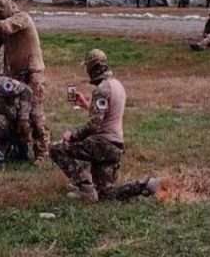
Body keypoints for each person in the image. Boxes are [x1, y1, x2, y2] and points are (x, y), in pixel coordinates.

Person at [51, 49, 161, 203]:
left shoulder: (101, 89)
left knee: (56, 148)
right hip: (115, 147)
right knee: (106, 194)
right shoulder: (117, 85)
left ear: (91, 68)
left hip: (102, 145)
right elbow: (106, 114)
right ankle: (146, 185)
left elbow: (93, 126)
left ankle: (85, 189)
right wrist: (86, 105)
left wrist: (73, 136)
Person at [0, 0, 50, 162]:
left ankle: (42, 153)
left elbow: (6, 27)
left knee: (35, 114)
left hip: (32, 73)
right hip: (14, 75)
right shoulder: (1, 23)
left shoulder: (21, 18)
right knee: (15, 113)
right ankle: (20, 149)